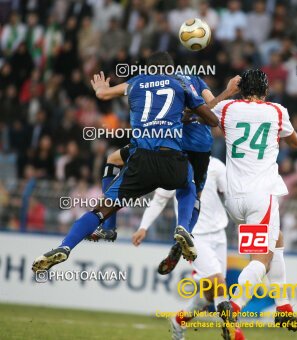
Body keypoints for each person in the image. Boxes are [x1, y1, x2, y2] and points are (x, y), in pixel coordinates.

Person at [32, 52, 218, 271]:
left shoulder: (136, 82)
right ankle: (183, 227)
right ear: (171, 69)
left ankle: (67, 245)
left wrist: (100, 88)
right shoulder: (181, 83)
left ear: (148, 69)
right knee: (190, 183)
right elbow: (213, 119)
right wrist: (187, 115)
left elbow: (103, 95)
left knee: (99, 210)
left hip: (140, 161)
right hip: (172, 158)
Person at [211, 69, 297, 339]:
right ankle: (234, 306)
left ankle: (284, 308)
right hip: (260, 196)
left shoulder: (227, 108)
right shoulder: (276, 111)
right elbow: (296, 142)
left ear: (241, 89)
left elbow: (200, 114)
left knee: (275, 240)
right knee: (262, 259)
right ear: (266, 90)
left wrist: (224, 93)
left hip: (233, 199)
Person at [131, 157, 244, 340]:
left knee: (209, 295)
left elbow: (231, 196)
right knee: (219, 282)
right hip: (193, 236)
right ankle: (233, 331)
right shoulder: (173, 166)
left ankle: (178, 321)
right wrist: (143, 227)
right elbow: (159, 200)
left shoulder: (216, 165)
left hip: (218, 234)